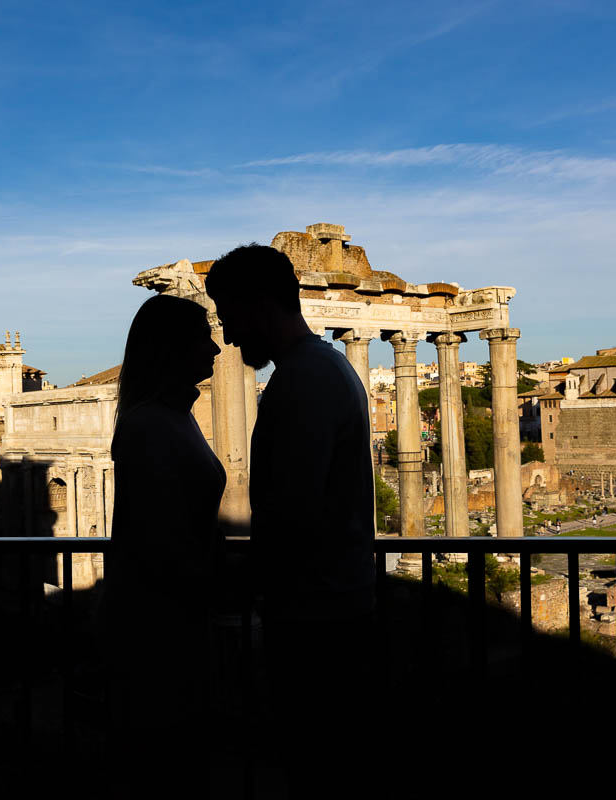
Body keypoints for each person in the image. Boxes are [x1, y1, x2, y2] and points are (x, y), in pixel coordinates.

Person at [205, 244, 377, 796]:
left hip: (316, 617)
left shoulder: (304, 380)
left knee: (315, 768)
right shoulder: (323, 369)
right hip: (330, 605)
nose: (229, 338)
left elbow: (293, 516)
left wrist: (238, 585)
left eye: (230, 319)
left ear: (259, 305)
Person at [97, 294, 224, 799]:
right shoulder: (151, 424)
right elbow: (156, 537)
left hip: (172, 615)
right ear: (172, 348)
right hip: (158, 626)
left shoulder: (173, 415)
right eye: (201, 338)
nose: (215, 348)